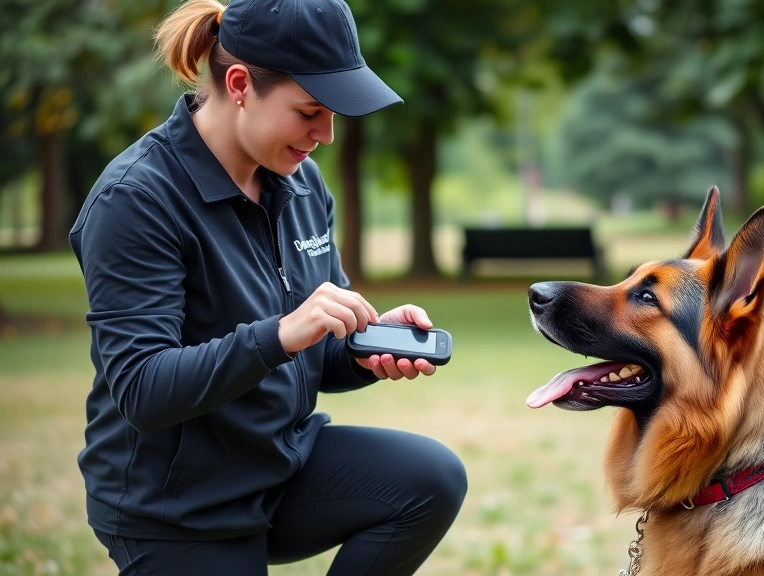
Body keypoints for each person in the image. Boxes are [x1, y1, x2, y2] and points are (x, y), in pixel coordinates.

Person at [67, 0, 466, 574]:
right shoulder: (136, 199)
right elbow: (142, 391)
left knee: (432, 478)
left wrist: (364, 351)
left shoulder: (300, 181)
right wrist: (280, 334)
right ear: (239, 85)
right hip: (178, 508)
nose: (325, 135)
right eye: (309, 111)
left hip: (280, 465)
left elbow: (316, 354)